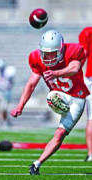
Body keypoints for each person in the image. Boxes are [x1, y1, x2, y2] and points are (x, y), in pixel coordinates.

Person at [10, 29, 90, 175]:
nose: (48, 56)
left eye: (52, 52)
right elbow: (31, 84)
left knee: (60, 134)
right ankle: (36, 165)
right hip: (60, 94)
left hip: (77, 98)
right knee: (51, 96)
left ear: (60, 49)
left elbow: (75, 68)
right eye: (45, 52)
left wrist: (56, 73)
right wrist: (20, 106)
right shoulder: (36, 58)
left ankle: (38, 162)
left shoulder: (73, 51)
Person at [79, 27, 92, 161]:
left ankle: (91, 153)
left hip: (91, 77)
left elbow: (84, 54)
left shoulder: (88, 32)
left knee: (91, 118)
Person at [0, 58, 16, 126]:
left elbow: (11, 82)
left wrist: (8, 88)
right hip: (0, 91)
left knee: (5, 108)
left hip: (7, 91)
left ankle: (3, 121)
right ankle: (3, 121)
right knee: (3, 107)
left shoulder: (8, 71)